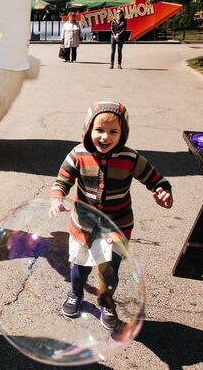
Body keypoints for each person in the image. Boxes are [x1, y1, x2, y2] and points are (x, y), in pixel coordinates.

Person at [49, 100, 173, 331]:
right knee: (80, 266)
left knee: (109, 269)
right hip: (83, 224)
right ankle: (76, 293)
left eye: (113, 132)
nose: (105, 137)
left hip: (117, 226)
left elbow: (156, 179)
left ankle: (106, 301)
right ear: (88, 130)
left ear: (122, 133)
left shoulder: (130, 158)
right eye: (99, 130)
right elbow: (62, 180)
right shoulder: (78, 154)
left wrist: (163, 192)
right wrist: (57, 198)